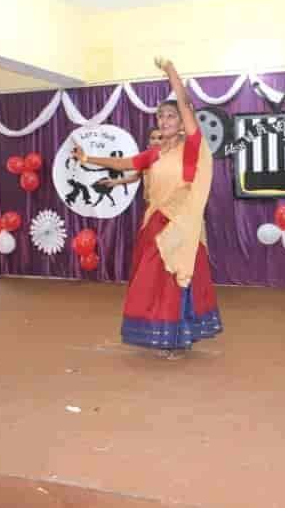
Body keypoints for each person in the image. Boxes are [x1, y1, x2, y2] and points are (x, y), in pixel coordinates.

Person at [71, 58, 221, 360]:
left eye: (170, 116)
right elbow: (125, 163)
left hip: (182, 223)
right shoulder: (154, 154)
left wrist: (170, 71)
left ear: (182, 123)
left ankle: (179, 337)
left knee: (177, 276)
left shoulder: (192, 146)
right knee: (154, 278)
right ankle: (166, 334)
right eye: (160, 117)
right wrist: (88, 159)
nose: (164, 121)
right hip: (155, 222)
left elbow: (184, 102)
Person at [97, 128, 163, 201]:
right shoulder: (147, 158)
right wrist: (115, 182)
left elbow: (120, 164)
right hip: (151, 202)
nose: (156, 141)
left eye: (160, 138)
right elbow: (136, 176)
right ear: (149, 141)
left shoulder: (169, 157)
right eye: (153, 138)